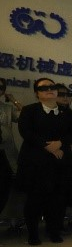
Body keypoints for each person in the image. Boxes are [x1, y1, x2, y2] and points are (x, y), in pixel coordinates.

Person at [16, 78, 72, 245]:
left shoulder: (66, 113)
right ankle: (33, 234)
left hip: (59, 162)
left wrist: (60, 144)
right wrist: (47, 146)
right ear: (37, 93)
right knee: (35, 199)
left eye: (52, 87)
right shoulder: (29, 110)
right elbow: (26, 132)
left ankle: (54, 231)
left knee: (56, 200)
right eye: (44, 88)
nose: (49, 90)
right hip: (35, 162)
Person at [55, 84, 72, 231]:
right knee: (57, 193)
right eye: (61, 94)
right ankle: (55, 224)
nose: (65, 98)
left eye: (68, 95)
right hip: (55, 158)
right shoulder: (50, 114)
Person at [0, 78, 22, 216]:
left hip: (5, 154)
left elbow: (26, 116)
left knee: (3, 190)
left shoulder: (7, 108)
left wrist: (14, 100)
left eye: (1, 87)